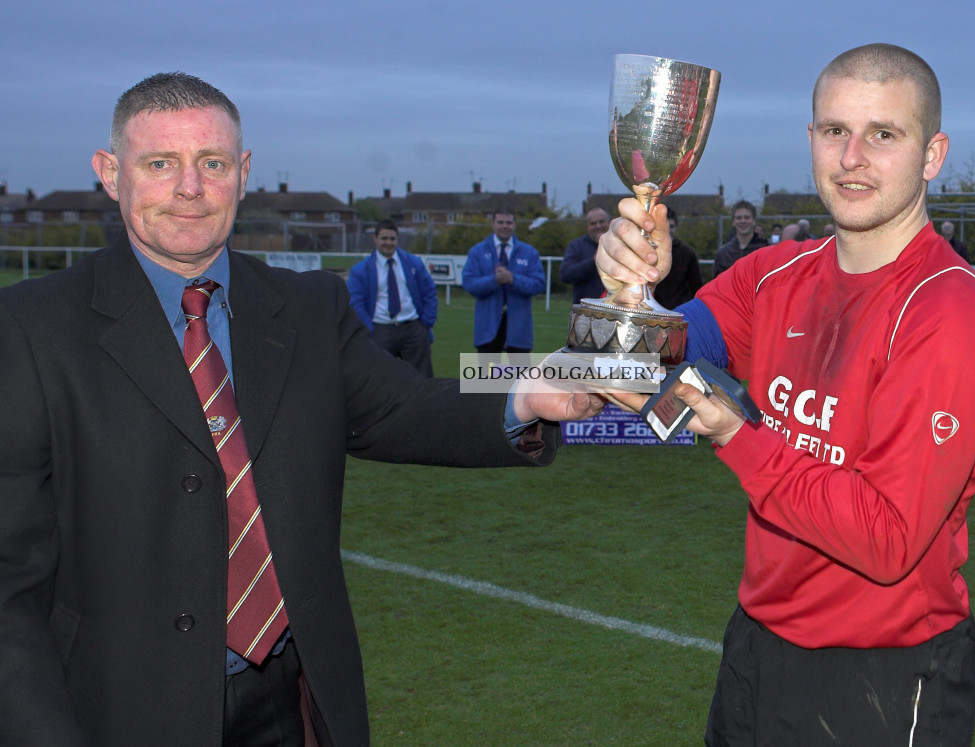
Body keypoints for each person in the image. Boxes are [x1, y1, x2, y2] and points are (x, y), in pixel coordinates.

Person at [0, 72, 601, 745]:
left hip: (293, 701)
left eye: (212, 163)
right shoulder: (30, 329)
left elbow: (404, 406)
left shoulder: (310, 308)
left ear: (244, 172)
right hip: (117, 711)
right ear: (111, 174)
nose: (190, 187)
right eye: (160, 163)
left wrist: (527, 394)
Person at [596, 43, 975, 744]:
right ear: (810, 139)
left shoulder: (949, 312)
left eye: (884, 133)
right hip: (757, 644)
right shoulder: (774, 275)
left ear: (932, 154)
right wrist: (630, 288)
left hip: (884, 672)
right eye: (834, 130)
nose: (853, 156)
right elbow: (631, 366)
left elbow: (886, 541)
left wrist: (735, 433)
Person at [346, 219, 438, 376]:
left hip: (413, 329)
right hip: (380, 330)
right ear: (375, 239)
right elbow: (355, 304)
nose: (388, 243)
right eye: (384, 239)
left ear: (397, 239)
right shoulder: (360, 271)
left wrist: (425, 323)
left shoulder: (413, 263)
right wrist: (369, 329)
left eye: (392, 239)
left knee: (423, 382)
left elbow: (429, 291)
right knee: (379, 381)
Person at [462, 209, 546, 353]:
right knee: (487, 375)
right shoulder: (477, 252)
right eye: (500, 222)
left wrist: (513, 280)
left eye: (509, 222)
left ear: (515, 225)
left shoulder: (529, 252)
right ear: (492, 224)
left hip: (519, 329)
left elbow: (539, 284)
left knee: (518, 375)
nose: (504, 226)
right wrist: (494, 280)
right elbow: (469, 283)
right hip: (487, 329)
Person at [653, 207, 703, 309]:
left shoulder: (688, 253)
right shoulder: (649, 252)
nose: (667, 229)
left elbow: (696, 286)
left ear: (676, 227)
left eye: (670, 226)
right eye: (664, 225)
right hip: (655, 311)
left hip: (681, 312)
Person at [559, 207, 610, 303]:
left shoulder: (620, 245)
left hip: (615, 311)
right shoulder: (577, 246)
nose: (598, 226)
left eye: (601, 221)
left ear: (609, 222)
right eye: (593, 223)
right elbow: (565, 275)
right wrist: (594, 261)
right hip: (585, 312)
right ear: (587, 226)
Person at [712, 200, 767, 278]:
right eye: (739, 218)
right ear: (733, 222)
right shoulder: (723, 254)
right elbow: (716, 285)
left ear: (754, 221)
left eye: (747, 217)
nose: (743, 221)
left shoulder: (765, 250)